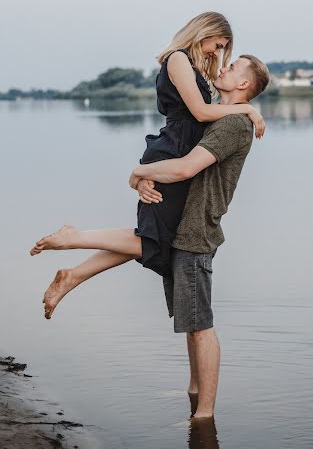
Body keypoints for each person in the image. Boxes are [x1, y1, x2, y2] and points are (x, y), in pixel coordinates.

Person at [30, 54, 270, 420]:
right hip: (182, 223)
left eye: (233, 65)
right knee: (189, 318)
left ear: (243, 86)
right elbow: (180, 153)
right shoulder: (219, 118)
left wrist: (139, 171)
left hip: (195, 232)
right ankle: (195, 394)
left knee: (201, 326)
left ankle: (203, 416)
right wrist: (148, 178)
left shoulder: (233, 125)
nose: (223, 66)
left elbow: (188, 166)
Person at [31, 12, 265, 282]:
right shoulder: (178, 58)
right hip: (174, 152)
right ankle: (74, 239)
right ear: (205, 32)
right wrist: (247, 109)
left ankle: (74, 274)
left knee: (154, 237)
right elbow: (200, 113)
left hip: (180, 152)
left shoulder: (193, 66)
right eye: (219, 45)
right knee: (157, 241)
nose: (218, 53)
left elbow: (206, 113)